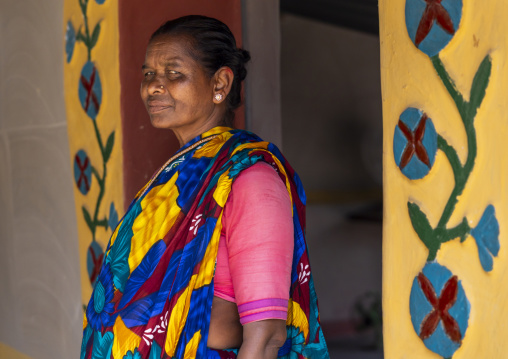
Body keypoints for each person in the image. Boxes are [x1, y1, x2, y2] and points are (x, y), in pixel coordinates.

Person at [80, 15, 329, 359]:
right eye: (149, 74)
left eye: (174, 74)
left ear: (220, 84)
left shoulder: (250, 178)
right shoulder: (175, 176)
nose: (154, 86)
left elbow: (267, 335)